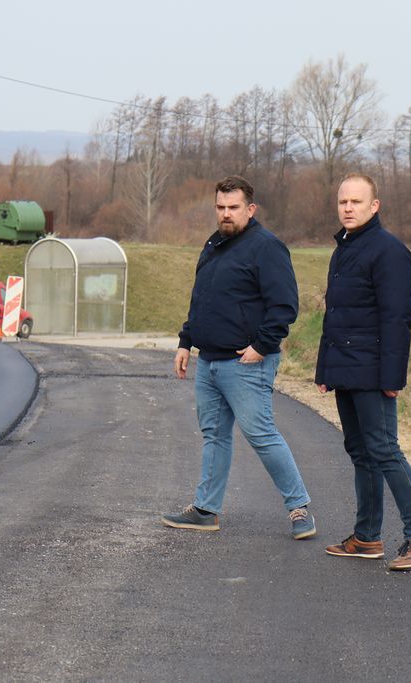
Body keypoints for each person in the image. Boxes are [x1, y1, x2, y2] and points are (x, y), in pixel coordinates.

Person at [162, 175, 315, 540]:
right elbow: (200, 299)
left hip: (246, 363)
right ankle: (205, 510)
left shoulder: (267, 247)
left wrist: (261, 346)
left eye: (233, 208)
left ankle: (299, 508)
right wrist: (186, 341)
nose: (226, 214)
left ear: (250, 209)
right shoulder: (214, 245)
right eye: (220, 207)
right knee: (214, 435)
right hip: (209, 361)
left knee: (261, 434)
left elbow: (285, 306)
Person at [317, 173, 411, 571]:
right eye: (343, 202)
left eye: (356, 202)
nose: (348, 208)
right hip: (345, 370)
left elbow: (396, 319)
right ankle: (367, 538)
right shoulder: (344, 249)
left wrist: (392, 378)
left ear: (375, 206)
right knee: (360, 452)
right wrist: (325, 368)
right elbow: (334, 316)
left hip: (373, 373)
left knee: (385, 450)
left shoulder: (388, 251)